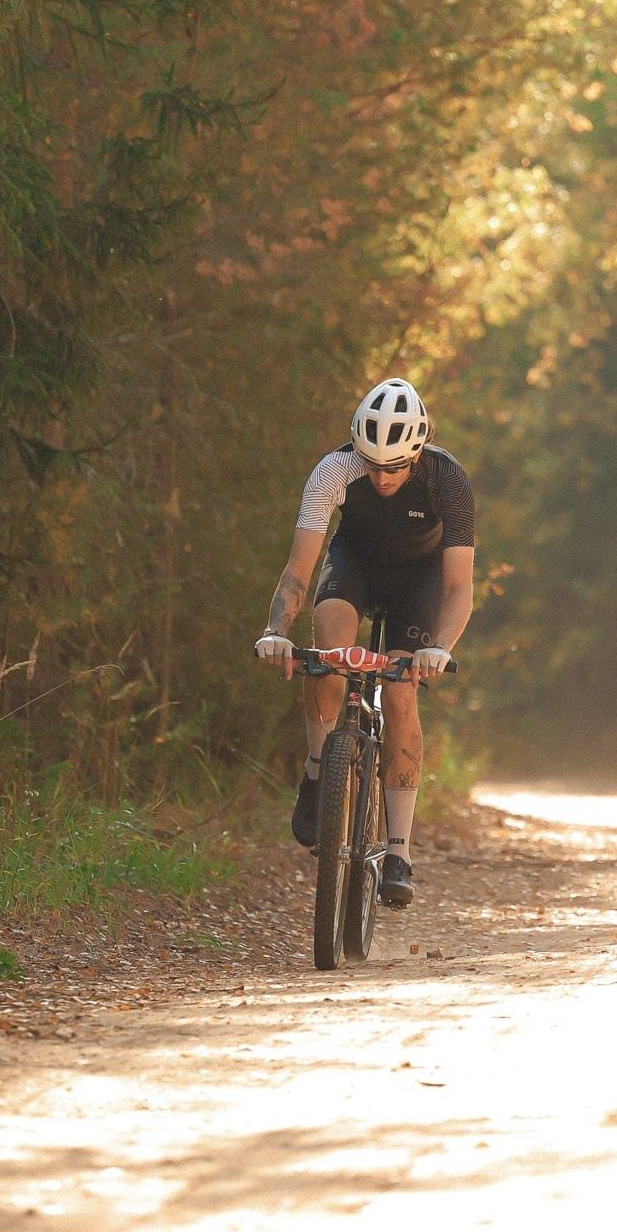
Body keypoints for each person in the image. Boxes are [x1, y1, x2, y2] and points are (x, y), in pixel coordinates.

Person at [255, 377, 474, 908]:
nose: (381, 477)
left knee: (399, 695)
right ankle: (316, 770)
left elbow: (458, 587)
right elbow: (299, 570)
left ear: (417, 452)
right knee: (327, 656)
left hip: (418, 580)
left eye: (394, 466)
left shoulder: (447, 479)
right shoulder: (333, 470)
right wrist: (275, 631)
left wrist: (440, 647)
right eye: (371, 464)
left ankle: (398, 852)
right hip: (353, 565)